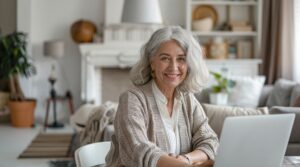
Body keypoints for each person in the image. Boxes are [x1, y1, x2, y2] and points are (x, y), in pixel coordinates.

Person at [105, 26, 219, 167]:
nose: (173, 67)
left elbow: (210, 140)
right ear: (152, 62)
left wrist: (187, 159)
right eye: (165, 58)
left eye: (181, 59)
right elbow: (138, 151)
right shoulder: (132, 99)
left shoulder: (187, 99)